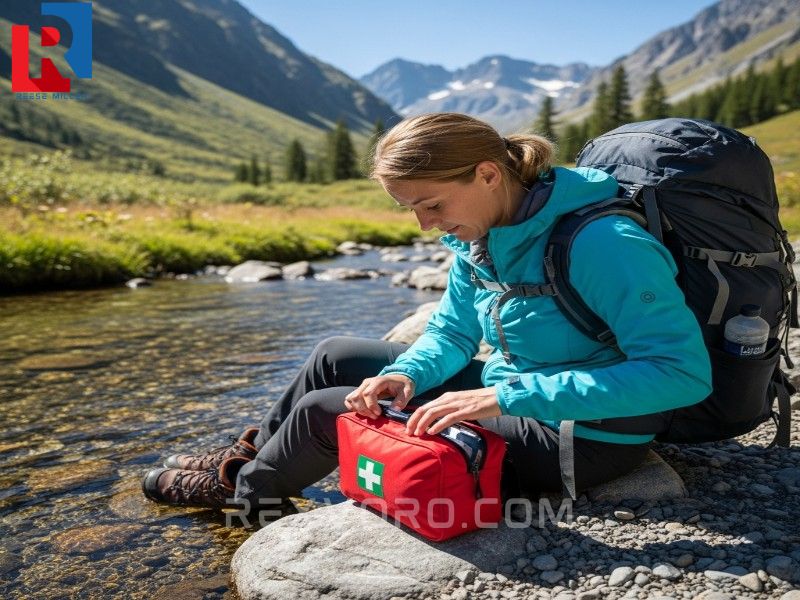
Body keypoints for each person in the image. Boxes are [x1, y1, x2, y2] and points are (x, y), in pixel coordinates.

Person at [141, 112, 712, 519]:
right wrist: (409, 374)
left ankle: (248, 496)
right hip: (521, 391)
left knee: (323, 413)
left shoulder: (604, 243)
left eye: (432, 205)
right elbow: (453, 331)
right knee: (333, 356)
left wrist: (503, 399)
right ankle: (247, 458)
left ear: (488, 174)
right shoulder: (482, 235)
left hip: (585, 436)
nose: (425, 226)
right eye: (412, 210)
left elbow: (680, 374)